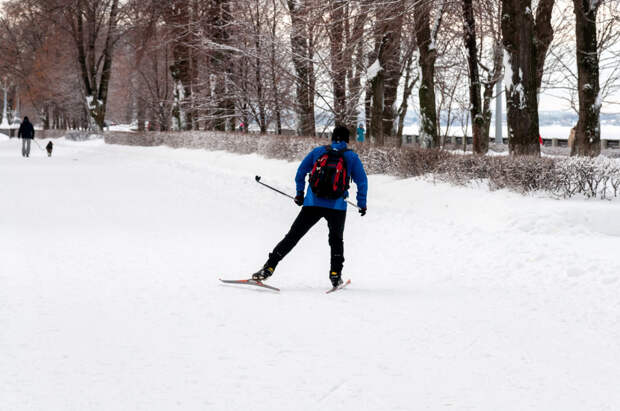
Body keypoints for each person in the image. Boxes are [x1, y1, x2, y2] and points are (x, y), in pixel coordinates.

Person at [252, 125, 368, 288]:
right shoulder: (351, 157)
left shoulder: (318, 152)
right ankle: (335, 275)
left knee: (292, 236)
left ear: (332, 137)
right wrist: (362, 204)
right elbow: (362, 181)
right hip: (337, 207)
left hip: (312, 204)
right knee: (336, 240)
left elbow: (300, 172)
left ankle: (268, 268)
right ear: (347, 140)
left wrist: (300, 194)